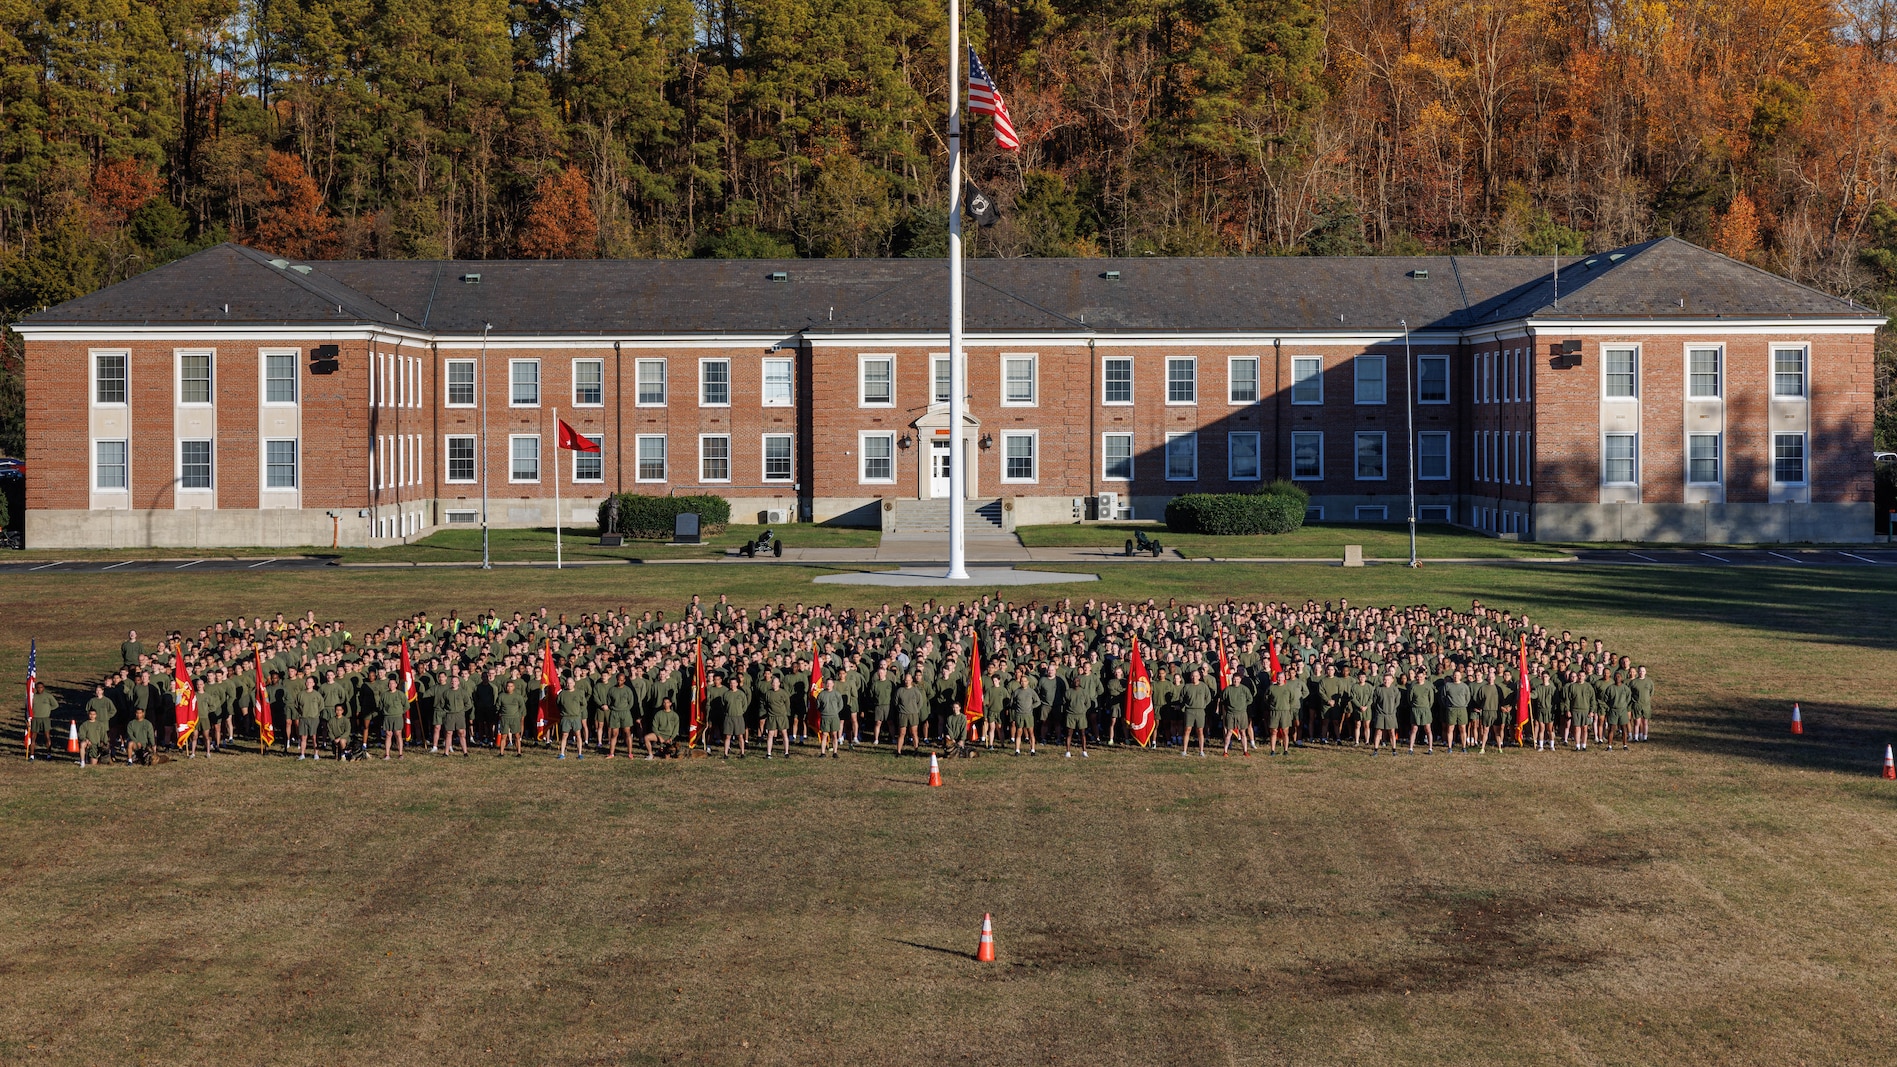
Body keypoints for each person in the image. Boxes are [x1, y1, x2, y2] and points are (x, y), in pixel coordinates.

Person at [1179, 669, 1212, 758]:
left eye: (1196, 676)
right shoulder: (1187, 686)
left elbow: (1208, 698)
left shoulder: (1204, 686)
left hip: (1200, 711)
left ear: (1199, 677)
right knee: (1187, 730)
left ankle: (1201, 751)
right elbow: (1181, 698)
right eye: (1193, 676)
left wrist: (1203, 705)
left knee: (1200, 730)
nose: (1194, 678)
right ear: (1190, 677)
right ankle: (1184, 750)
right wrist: (1185, 706)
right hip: (1189, 711)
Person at [893, 673, 928, 756]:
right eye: (905, 680)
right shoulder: (900, 690)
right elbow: (896, 702)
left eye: (908, 680)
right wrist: (901, 710)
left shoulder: (916, 691)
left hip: (913, 714)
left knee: (914, 733)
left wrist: (915, 710)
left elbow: (920, 702)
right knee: (901, 733)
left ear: (911, 680)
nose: (907, 682)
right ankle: (898, 751)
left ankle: (916, 750)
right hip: (903, 714)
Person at [556, 672, 589, 759]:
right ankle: (562, 753)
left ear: (574, 683)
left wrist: (578, 711)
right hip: (565, 717)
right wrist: (563, 712)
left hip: (576, 717)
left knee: (578, 735)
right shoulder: (562, 694)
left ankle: (580, 753)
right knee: (564, 735)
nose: (569, 684)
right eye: (567, 683)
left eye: (570, 683)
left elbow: (584, 704)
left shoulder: (579, 693)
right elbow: (558, 704)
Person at [1370, 671, 1402, 756]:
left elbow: (1397, 702)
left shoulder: (1395, 690)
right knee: (1378, 732)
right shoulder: (1378, 689)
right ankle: (1375, 750)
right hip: (1380, 714)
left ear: (1392, 680)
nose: (1386, 681)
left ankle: (1394, 750)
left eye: (1388, 680)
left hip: (1391, 714)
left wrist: (1392, 710)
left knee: (1392, 732)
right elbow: (1375, 701)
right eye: (1385, 679)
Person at [292, 676, 324, 760]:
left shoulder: (317, 695)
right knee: (303, 737)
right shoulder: (300, 694)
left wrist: (315, 713)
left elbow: (321, 706)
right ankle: (302, 754)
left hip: (314, 718)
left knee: (314, 737)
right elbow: (296, 706)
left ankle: (316, 754)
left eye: (310, 682)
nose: (308, 684)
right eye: (307, 682)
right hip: (303, 718)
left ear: (313, 684)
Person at [1219, 674, 1251, 757]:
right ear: (1232, 680)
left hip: (1242, 713)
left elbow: (1250, 699)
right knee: (1229, 732)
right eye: (1234, 679)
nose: (1235, 681)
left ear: (1240, 680)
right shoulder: (1227, 689)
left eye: (1237, 679)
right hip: (1230, 714)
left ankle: (1245, 751)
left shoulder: (1244, 689)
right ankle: (1225, 751)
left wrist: (1243, 706)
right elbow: (1223, 700)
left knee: (1243, 732)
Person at [761, 674, 793, 758]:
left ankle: (786, 752)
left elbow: (787, 704)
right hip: (771, 716)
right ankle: (768, 753)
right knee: (770, 734)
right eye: (773, 683)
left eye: (776, 683)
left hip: (781, 716)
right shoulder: (768, 693)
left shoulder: (783, 693)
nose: (774, 684)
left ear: (779, 683)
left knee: (784, 733)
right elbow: (765, 704)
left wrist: (783, 712)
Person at [1265, 671, 1296, 756]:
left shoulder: (1288, 688)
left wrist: (1287, 706)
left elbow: (1292, 699)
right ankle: (1272, 750)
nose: (1280, 679)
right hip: (1274, 712)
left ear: (1284, 678)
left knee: (1285, 732)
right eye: (1278, 677)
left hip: (1285, 712)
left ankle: (1286, 750)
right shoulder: (1271, 688)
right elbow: (1266, 699)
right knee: (1273, 731)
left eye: (1281, 677)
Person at [1405, 667, 1435, 755]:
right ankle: (1410, 748)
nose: (1419, 678)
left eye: (1421, 677)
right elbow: (1409, 699)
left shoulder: (1428, 686)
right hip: (1415, 709)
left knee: (1428, 729)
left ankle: (1430, 748)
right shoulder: (1413, 686)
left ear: (1424, 676)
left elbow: (1431, 700)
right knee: (1414, 729)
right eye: (1418, 677)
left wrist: (1426, 707)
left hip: (1425, 709)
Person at [1441, 669, 1471, 755]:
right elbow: (1443, 697)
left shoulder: (1464, 686)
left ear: (1460, 676)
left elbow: (1467, 698)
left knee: (1462, 728)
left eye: (1458, 675)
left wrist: (1463, 704)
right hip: (1451, 709)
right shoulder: (1448, 686)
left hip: (1462, 709)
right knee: (1450, 728)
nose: (1456, 677)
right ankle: (1449, 747)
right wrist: (1448, 705)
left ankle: (1464, 747)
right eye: (1454, 675)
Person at [377, 675, 407, 760]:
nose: (391, 685)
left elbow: (406, 706)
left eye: (393, 683)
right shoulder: (384, 695)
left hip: (397, 717)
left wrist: (400, 712)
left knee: (398, 734)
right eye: (390, 683)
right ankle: (387, 754)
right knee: (388, 734)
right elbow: (381, 706)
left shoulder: (400, 694)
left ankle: (400, 754)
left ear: (396, 685)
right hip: (387, 717)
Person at [1009, 671, 1039, 756]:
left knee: (1031, 732)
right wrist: (1016, 708)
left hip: (1029, 715)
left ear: (1028, 682)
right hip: (1019, 715)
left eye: (1025, 681)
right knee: (1019, 732)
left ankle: (1032, 750)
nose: (1023, 683)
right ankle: (1017, 750)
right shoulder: (1016, 691)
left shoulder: (1031, 691)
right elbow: (1012, 702)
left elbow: (1038, 701)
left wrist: (1031, 706)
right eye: (1022, 681)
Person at [496, 678, 528, 757]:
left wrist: (519, 715)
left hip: (515, 718)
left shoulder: (518, 696)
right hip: (504, 718)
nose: (509, 688)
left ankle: (519, 752)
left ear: (514, 687)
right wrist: (500, 714)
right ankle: (501, 753)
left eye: (511, 686)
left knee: (517, 735)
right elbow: (497, 706)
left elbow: (522, 707)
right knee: (504, 736)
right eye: (508, 686)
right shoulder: (501, 696)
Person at [26, 678, 55, 760]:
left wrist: (48, 709)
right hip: (35, 719)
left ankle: (49, 754)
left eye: (41, 687)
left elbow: (55, 705)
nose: (39, 689)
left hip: (45, 718)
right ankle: (32, 755)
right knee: (33, 737)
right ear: (35, 688)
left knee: (47, 736)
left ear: (44, 688)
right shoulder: (33, 697)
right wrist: (27, 720)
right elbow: (28, 708)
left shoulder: (48, 696)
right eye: (38, 687)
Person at [816, 676, 844, 759]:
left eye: (830, 683)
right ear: (825, 684)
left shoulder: (837, 694)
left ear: (833, 684)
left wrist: (835, 711)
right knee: (824, 735)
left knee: (834, 735)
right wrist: (823, 712)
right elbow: (818, 705)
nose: (828, 685)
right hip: (825, 717)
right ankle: (823, 752)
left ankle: (835, 752)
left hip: (834, 717)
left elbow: (840, 705)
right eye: (827, 683)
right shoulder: (821, 694)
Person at [1629, 665, 1653, 742]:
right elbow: (1630, 693)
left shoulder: (1649, 682)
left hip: (1646, 705)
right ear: (1637, 672)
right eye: (1640, 671)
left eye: (1643, 671)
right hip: (1637, 705)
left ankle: (1645, 737)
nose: (1641, 672)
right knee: (1637, 722)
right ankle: (1636, 737)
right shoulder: (1633, 682)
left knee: (1645, 722)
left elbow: (1651, 692)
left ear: (1645, 672)